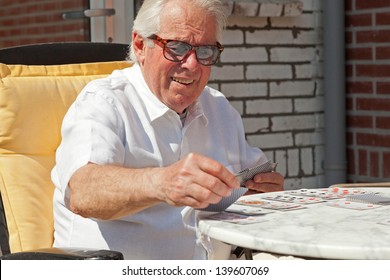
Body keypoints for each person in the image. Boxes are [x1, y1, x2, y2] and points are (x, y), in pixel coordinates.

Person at [51, 0, 284, 260]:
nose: (192, 65)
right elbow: (84, 192)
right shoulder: (104, 101)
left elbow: (249, 188)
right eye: (177, 48)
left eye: (205, 50)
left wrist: (261, 194)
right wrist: (162, 183)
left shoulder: (218, 107)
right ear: (140, 45)